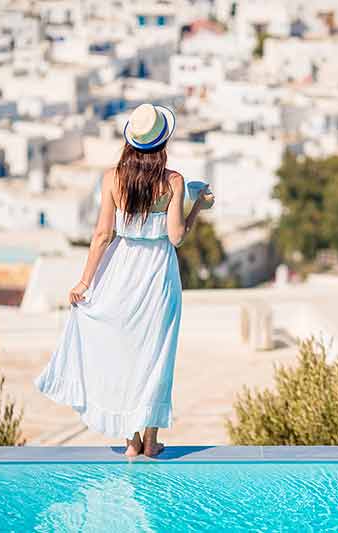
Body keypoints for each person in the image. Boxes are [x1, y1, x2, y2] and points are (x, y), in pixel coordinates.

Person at [35, 103, 214, 457]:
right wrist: (197, 208)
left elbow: (102, 235)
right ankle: (151, 440)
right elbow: (176, 237)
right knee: (155, 353)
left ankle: (131, 442)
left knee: (128, 353)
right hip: (158, 273)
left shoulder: (112, 178)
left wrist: (85, 282)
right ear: (163, 142)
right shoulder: (173, 181)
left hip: (121, 269)